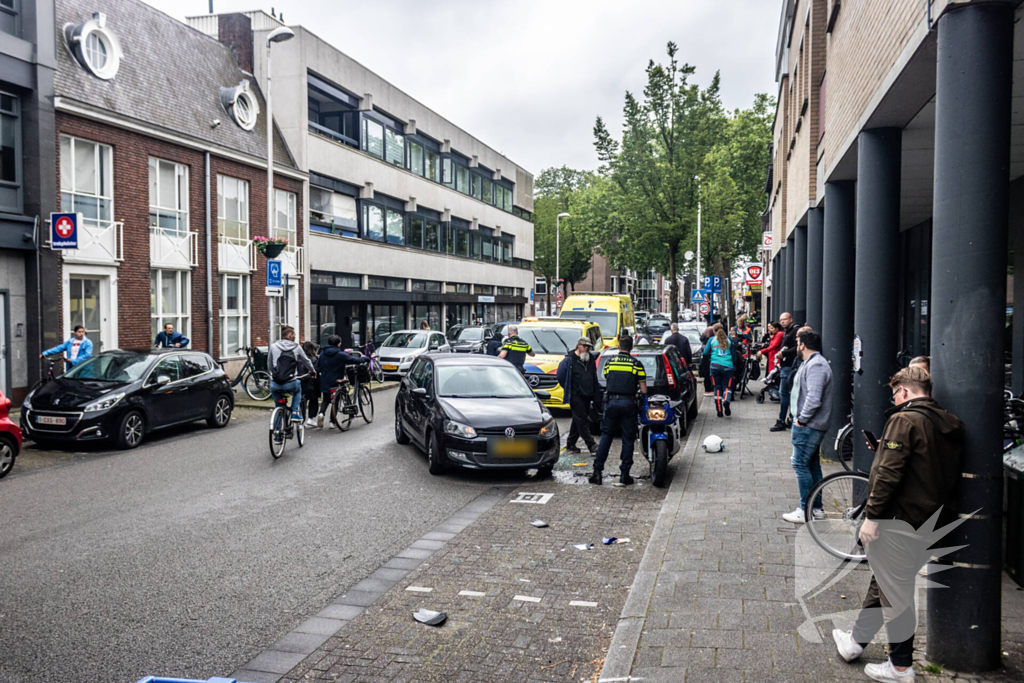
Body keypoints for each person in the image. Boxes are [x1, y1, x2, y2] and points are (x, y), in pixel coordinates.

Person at [831, 367, 963, 682]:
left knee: (896, 591)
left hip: (900, 520)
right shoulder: (946, 422)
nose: (894, 399)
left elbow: (887, 476)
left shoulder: (904, 420)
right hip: (929, 519)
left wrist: (872, 518)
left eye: (894, 393)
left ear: (903, 390)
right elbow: (926, 465)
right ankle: (854, 643)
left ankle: (901, 666)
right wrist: (884, 450)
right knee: (886, 582)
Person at [782, 330, 833, 523]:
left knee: (800, 464)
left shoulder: (817, 365)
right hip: (810, 423)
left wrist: (802, 419)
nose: (796, 345)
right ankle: (816, 507)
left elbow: (814, 397)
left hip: (809, 424)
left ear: (803, 344)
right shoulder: (812, 363)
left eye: (797, 342)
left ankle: (806, 509)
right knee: (812, 464)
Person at [590, 335, 647, 487]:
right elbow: (643, 389)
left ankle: (597, 472)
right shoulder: (637, 364)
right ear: (631, 347)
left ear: (619, 347)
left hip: (611, 403)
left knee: (606, 437)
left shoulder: (610, 362)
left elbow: (606, 377)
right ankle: (624, 474)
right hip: (628, 403)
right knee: (628, 439)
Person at [316, 335, 371, 428]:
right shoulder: (340, 354)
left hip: (325, 381)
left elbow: (318, 367)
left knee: (326, 399)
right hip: (337, 380)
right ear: (338, 344)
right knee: (336, 400)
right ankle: (332, 422)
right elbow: (354, 360)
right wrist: (365, 358)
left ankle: (321, 413)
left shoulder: (322, 354)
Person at [556, 336, 599, 455]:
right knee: (582, 420)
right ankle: (591, 445)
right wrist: (569, 388)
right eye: (585, 346)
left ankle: (570, 443)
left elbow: (593, 376)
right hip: (576, 395)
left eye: (589, 347)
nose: (587, 349)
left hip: (587, 395)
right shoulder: (569, 360)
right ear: (578, 345)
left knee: (577, 419)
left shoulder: (590, 359)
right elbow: (560, 376)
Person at [268, 326, 315, 423]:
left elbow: (269, 364)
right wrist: (312, 371)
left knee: (278, 406)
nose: (295, 337)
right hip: (291, 382)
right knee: (298, 390)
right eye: (294, 335)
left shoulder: (273, 346)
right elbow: (306, 361)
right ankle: (294, 412)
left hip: (275, 383)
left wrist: (274, 374)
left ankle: (277, 435)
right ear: (290, 335)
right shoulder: (296, 347)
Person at [770, 312, 799, 432]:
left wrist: (783, 354)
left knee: (784, 393)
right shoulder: (787, 332)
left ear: (791, 319)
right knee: (787, 393)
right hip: (786, 365)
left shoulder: (794, 332)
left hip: (789, 366)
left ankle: (782, 420)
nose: (782, 322)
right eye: (781, 320)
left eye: (785, 319)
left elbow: (796, 348)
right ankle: (789, 418)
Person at [704, 324, 735, 418]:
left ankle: (719, 410)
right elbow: (734, 355)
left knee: (717, 387)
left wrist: (712, 355)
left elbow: (705, 352)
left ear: (714, 331)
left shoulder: (711, 340)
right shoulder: (729, 340)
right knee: (727, 387)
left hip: (715, 366)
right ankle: (726, 400)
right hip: (727, 367)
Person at [301, 341, 321, 428]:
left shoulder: (299, 358)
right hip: (312, 383)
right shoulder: (314, 359)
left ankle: (301, 420)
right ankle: (311, 418)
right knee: (313, 401)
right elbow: (317, 369)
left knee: (302, 402)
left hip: (301, 382)